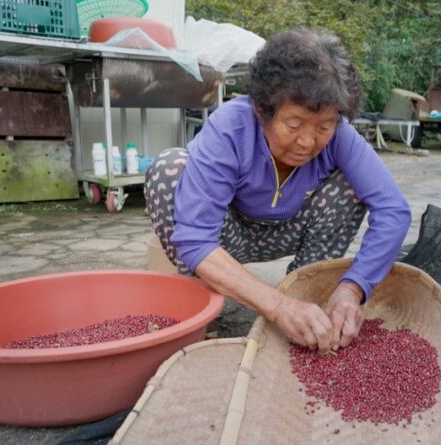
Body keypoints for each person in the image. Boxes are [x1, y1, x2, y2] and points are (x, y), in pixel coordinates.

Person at [145, 28, 411, 353]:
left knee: (350, 188)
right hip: (225, 236)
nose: (308, 142)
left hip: (290, 230)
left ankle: (306, 301)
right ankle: (202, 304)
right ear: (262, 109)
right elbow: (196, 238)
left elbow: (393, 210)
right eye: (294, 124)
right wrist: (277, 307)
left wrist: (353, 288)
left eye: (324, 127)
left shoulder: (341, 136)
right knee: (169, 170)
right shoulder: (231, 128)